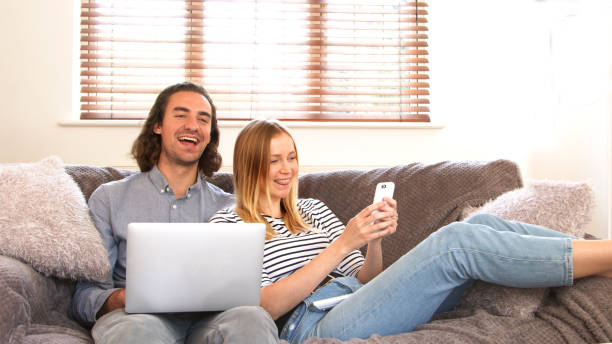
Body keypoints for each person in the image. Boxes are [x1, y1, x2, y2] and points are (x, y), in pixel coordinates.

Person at [210, 118, 612, 344]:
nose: (287, 169)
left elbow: (367, 279)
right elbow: (262, 308)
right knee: (457, 242)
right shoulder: (229, 225)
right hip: (310, 324)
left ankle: (600, 258)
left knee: (482, 224)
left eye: (292, 157)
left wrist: (373, 242)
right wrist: (340, 246)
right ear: (249, 165)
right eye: (274, 160)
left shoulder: (313, 209)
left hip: (357, 298)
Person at [72, 83, 279, 344]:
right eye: (181, 115)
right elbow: (85, 296)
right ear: (157, 125)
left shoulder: (233, 207)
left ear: (209, 135)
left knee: (253, 318)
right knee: (135, 330)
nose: (193, 125)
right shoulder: (110, 198)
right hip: (138, 319)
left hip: (212, 320)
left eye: (203, 119)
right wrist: (122, 298)